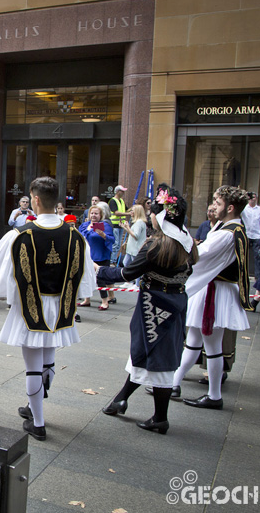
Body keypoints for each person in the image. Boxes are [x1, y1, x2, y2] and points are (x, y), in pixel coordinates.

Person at [0, 176, 95, 441]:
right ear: (56, 200)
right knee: (49, 359)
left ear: (34, 199)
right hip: (60, 306)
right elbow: (85, 275)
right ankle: (34, 408)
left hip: (30, 307)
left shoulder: (20, 234)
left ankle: (39, 422)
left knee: (33, 366)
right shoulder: (76, 235)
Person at [99, 185, 198, 435]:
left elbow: (126, 273)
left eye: (154, 211)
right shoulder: (187, 242)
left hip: (153, 305)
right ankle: (120, 399)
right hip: (176, 302)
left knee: (159, 357)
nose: (151, 215)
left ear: (161, 215)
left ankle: (160, 418)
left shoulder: (157, 244)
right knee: (144, 351)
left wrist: (97, 271)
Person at [171, 185, 252, 410]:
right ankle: (174, 383)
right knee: (195, 341)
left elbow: (200, 255)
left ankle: (214, 395)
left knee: (211, 345)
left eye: (217, 203)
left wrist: (177, 239)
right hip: (213, 290)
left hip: (216, 292)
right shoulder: (229, 228)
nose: (213, 207)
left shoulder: (228, 232)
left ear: (230, 207)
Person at [78, 205, 114, 309]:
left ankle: (104, 301)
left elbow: (112, 240)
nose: (93, 215)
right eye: (92, 213)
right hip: (87, 256)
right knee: (85, 277)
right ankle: (87, 299)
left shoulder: (105, 225)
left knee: (100, 279)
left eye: (96, 213)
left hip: (101, 256)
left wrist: (103, 235)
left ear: (100, 215)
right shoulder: (85, 225)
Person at [241, 192, 260, 279]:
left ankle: (257, 275)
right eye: (250, 198)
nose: (252, 199)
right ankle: (243, 274)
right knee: (243, 254)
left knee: (257, 256)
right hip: (246, 234)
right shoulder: (244, 208)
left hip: (256, 235)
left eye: (253, 197)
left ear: (256, 198)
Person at [120, 204, 148, 268]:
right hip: (131, 249)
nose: (131, 212)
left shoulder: (139, 223)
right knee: (125, 263)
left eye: (133, 211)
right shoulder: (138, 222)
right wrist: (125, 227)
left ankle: (135, 277)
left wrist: (128, 227)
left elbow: (136, 236)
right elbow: (132, 233)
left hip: (135, 249)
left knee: (134, 266)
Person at [109, 185, 131, 265]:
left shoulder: (121, 201)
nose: (123, 193)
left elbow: (126, 209)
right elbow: (116, 213)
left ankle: (114, 260)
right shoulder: (113, 201)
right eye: (122, 191)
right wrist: (128, 213)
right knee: (116, 244)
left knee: (118, 244)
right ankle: (112, 261)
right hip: (115, 225)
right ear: (118, 192)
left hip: (121, 225)